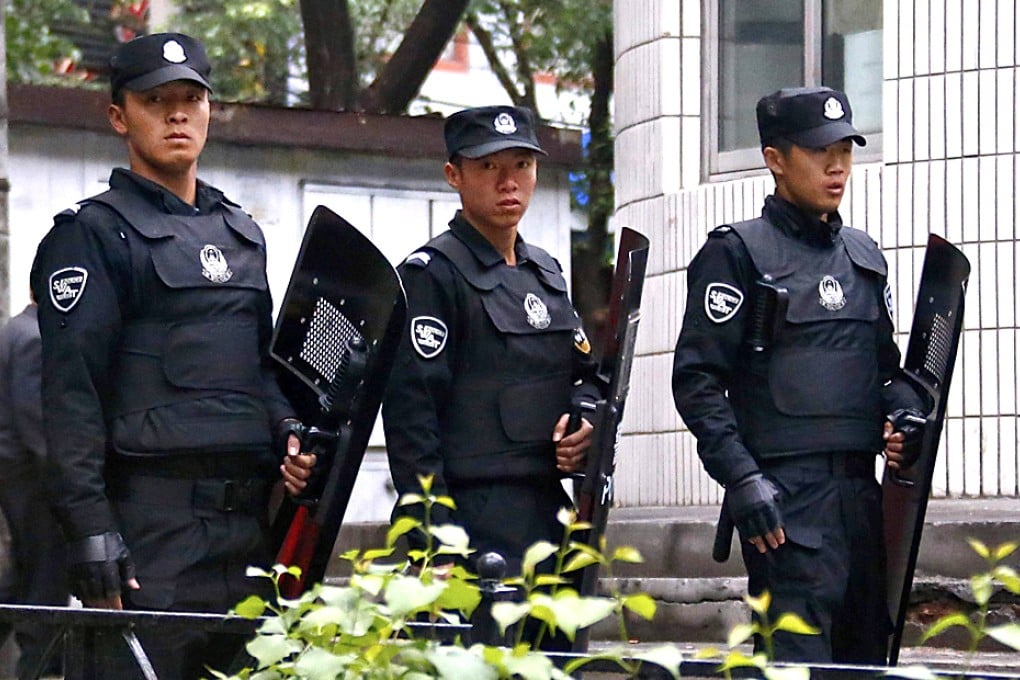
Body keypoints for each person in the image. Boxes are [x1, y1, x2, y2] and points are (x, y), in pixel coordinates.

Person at [29, 32, 315, 679]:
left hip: (247, 534)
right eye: (157, 100)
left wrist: (289, 433)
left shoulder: (242, 235)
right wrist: (90, 531)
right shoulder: (92, 234)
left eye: (191, 98)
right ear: (119, 116)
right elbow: (71, 397)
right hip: (149, 538)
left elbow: (260, 373)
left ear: (210, 109)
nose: (178, 114)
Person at [671, 86, 928, 665]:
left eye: (844, 148)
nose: (836, 165)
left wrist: (905, 417)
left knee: (866, 663)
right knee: (794, 667)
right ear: (775, 159)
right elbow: (697, 381)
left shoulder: (864, 257)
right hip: (785, 510)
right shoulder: (736, 253)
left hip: (863, 502)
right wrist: (741, 481)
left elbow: (890, 374)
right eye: (818, 152)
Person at [382, 105, 603, 579]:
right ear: (453, 175)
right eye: (489, 167)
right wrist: (434, 538)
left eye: (522, 165)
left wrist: (584, 423)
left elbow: (587, 378)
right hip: (470, 521)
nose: (509, 183)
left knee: (557, 653)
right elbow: (411, 417)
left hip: (552, 517)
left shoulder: (546, 274)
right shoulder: (433, 276)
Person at [0, 298, 69, 679]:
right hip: (32, 481)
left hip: (18, 477)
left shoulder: (17, 328)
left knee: (19, 581)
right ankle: (39, 667)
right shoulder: (35, 336)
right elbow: (36, 421)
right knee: (43, 582)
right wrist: (65, 481)